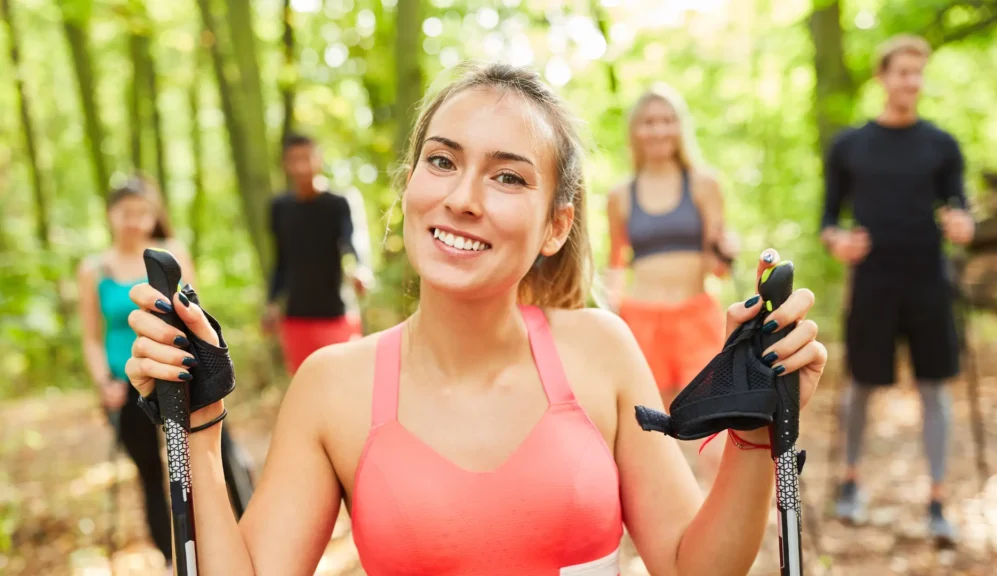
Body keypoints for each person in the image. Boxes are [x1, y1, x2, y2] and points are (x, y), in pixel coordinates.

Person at [123, 63, 826, 575]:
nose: (462, 197)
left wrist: (756, 438)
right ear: (410, 190)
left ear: (557, 226)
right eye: (442, 162)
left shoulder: (601, 351)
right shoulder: (334, 385)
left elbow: (688, 566)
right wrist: (199, 430)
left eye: (508, 176)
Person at [820, 34, 975, 546]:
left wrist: (962, 225)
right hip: (873, 282)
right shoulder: (850, 145)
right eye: (902, 71)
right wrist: (839, 241)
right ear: (882, 76)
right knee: (862, 385)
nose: (910, 80)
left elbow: (962, 211)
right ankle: (850, 481)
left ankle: (936, 497)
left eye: (917, 72)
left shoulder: (942, 144)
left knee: (935, 386)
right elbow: (828, 220)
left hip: (929, 280)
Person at [77, 175, 253, 571]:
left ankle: (243, 535)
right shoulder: (93, 268)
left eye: (143, 213)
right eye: (126, 214)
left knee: (218, 454)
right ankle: (174, 559)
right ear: (110, 215)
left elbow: (195, 313)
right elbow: (91, 336)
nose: (135, 222)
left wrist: (206, 366)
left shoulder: (170, 253)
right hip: (127, 384)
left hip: (180, 373)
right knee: (152, 473)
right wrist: (103, 382)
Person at [605, 86, 739, 476]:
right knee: (651, 433)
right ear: (636, 131)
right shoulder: (620, 195)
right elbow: (616, 263)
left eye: (667, 120)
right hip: (641, 319)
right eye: (649, 122)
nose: (659, 130)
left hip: (696, 317)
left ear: (679, 128)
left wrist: (727, 250)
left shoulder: (703, 184)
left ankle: (720, 524)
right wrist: (612, 320)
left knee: (710, 430)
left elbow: (719, 267)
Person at [263, 133, 374, 374]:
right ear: (285, 164)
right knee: (305, 389)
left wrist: (361, 269)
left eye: (307, 158)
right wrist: (272, 302)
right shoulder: (279, 208)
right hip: (296, 317)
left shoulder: (339, 203)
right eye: (294, 159)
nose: (302, 166)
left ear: (319, 159)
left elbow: (352, 242)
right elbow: (280, 261)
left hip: (337, 314)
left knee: (346, 384)